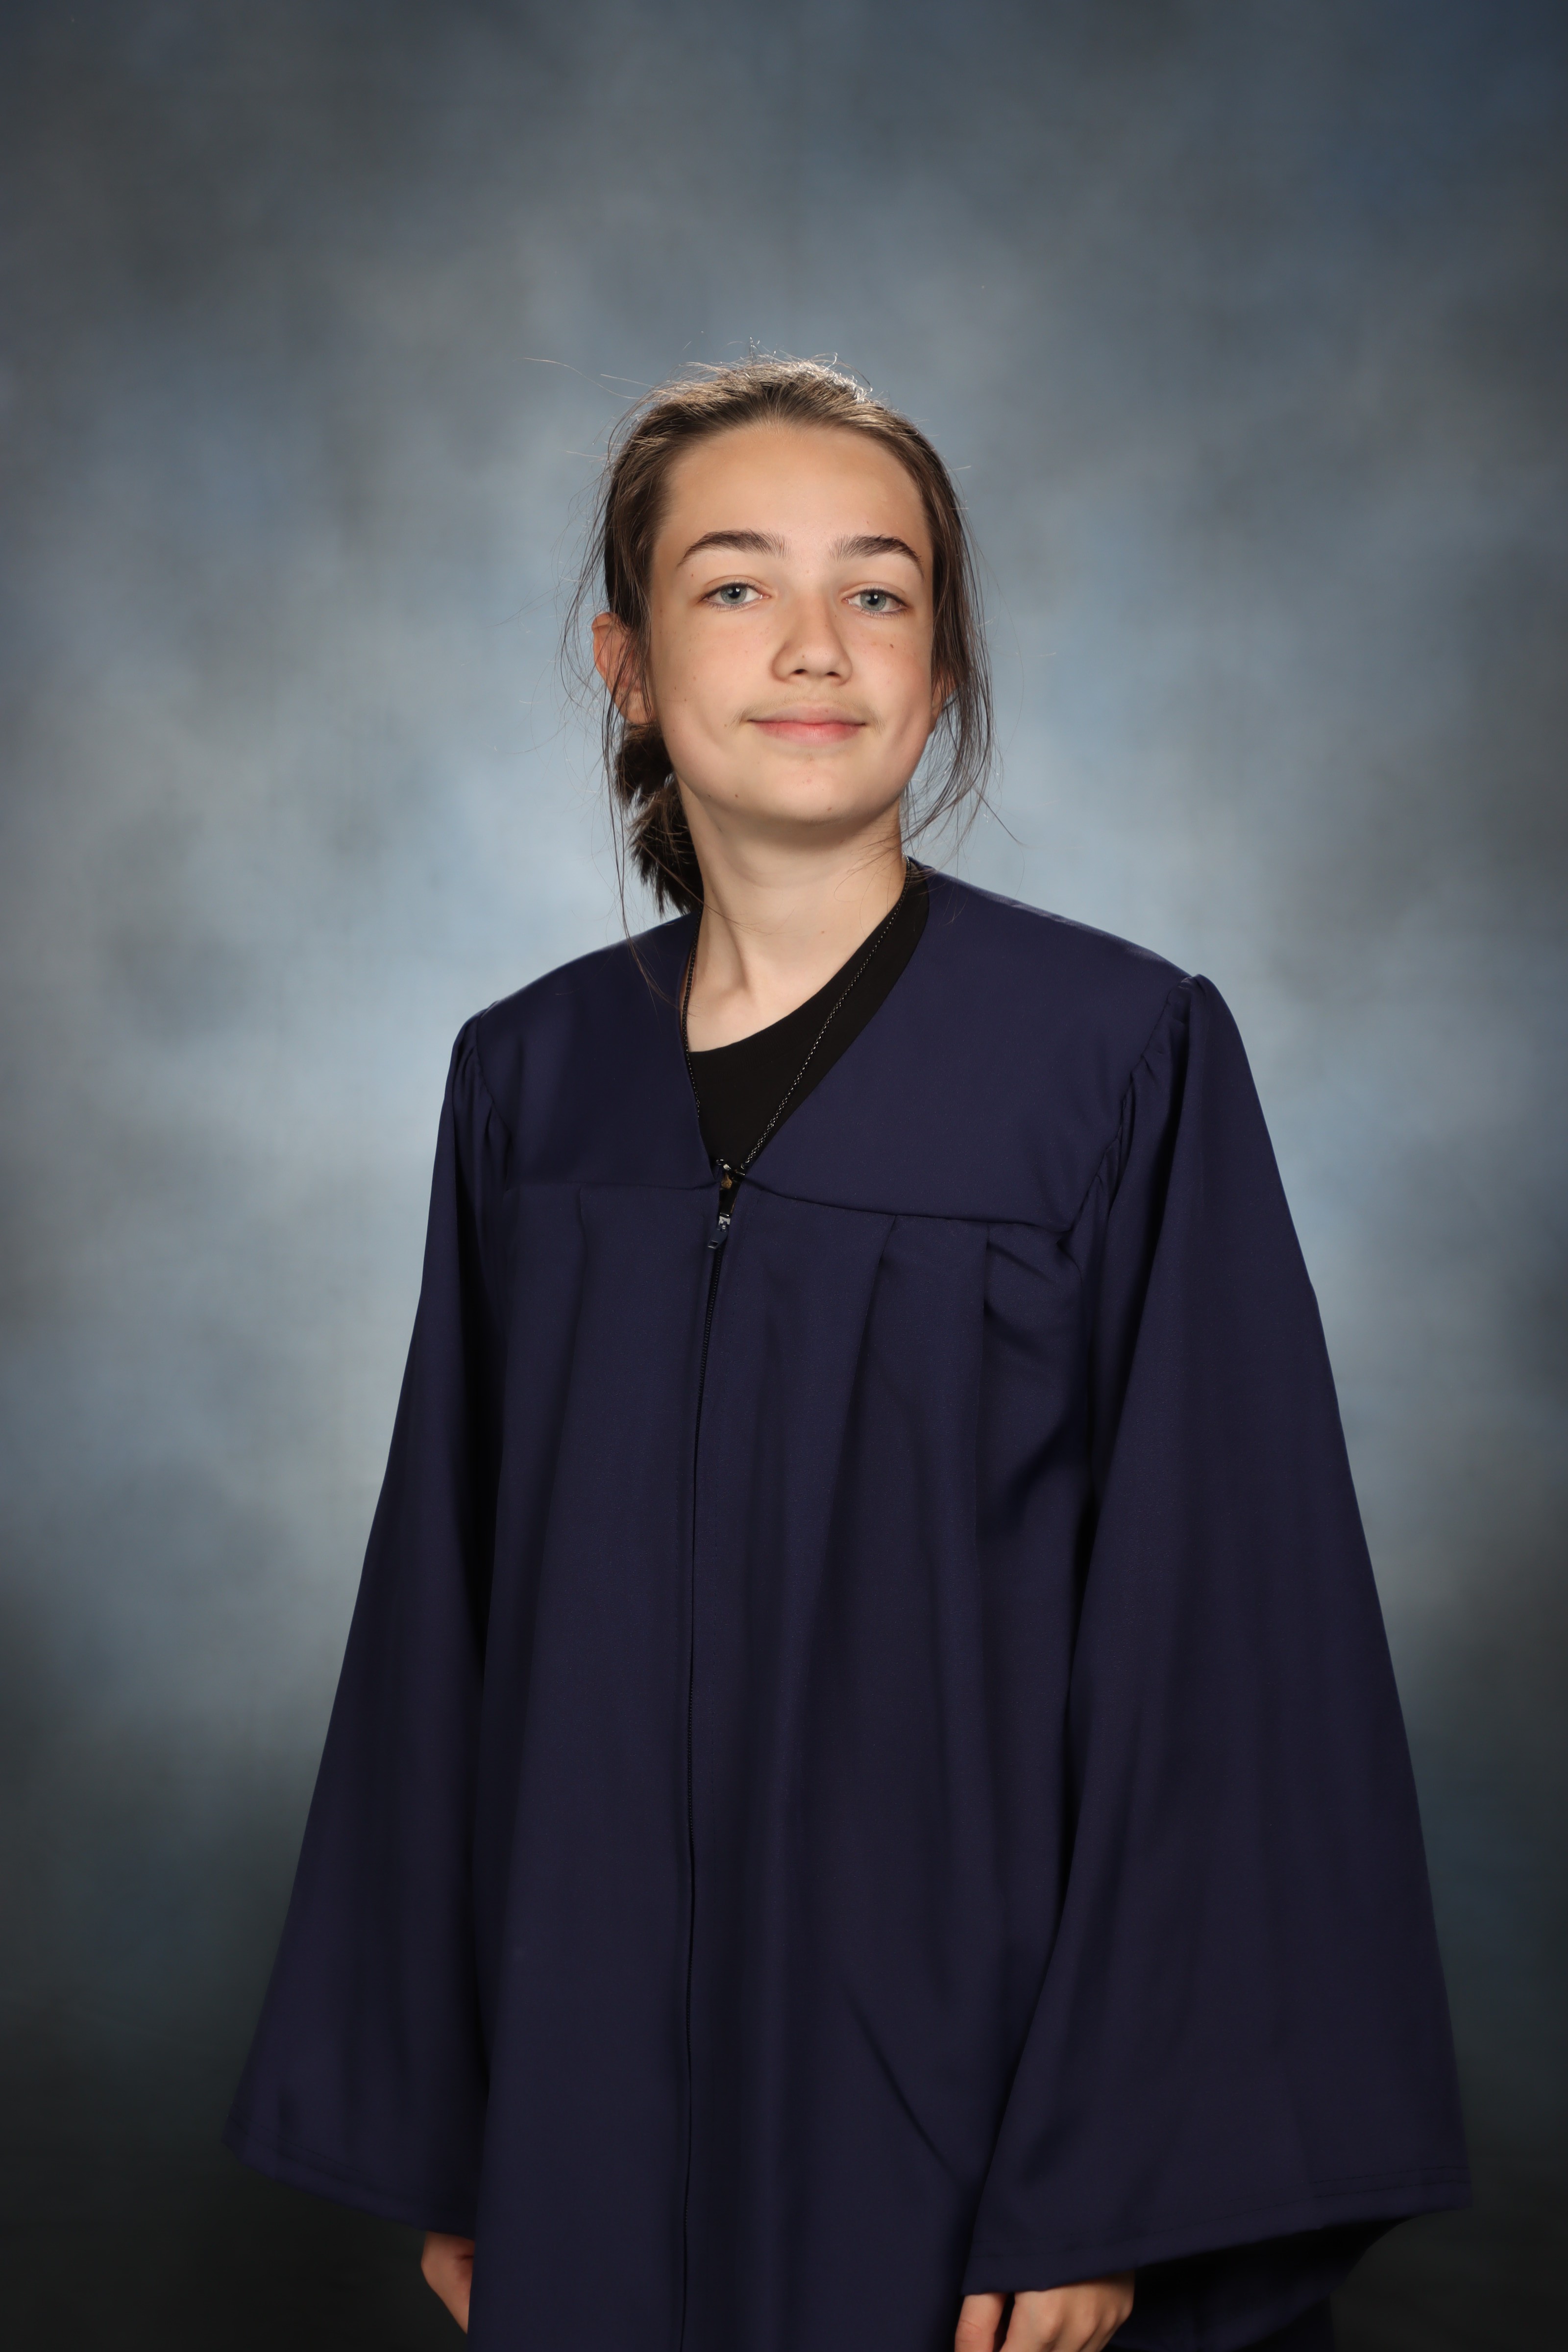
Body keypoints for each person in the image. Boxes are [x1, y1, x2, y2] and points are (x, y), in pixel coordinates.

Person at [225, 359, 1469, 2352]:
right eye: (734, 587)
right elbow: (440, 1624)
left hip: (973, 2114)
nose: (814, 644)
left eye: (878, 592)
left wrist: (1111, 2175)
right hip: (588, 2079)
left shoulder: (1114, 1061)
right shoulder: (529, 1084)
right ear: (628, 667)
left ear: (941, 668)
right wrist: (459, 2135)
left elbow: (1227, 1639)